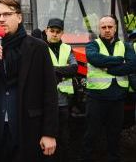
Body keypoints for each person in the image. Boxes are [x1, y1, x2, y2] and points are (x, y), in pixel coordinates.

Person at [0, 0, 58, 162]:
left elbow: (50, 93)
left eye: (7, 14)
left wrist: (49, 133)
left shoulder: (38, 48)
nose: (1, 19)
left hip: (28, 129)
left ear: (19, 17)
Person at [80, 15, 136, 162]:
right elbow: (95, 59)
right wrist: (119, 60)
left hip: (118, 98)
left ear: (115, 28)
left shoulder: (126, 46)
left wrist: (109, 69)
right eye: (103, 27)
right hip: (96, 98)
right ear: (99, 29)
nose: (107, 30)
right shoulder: (93, 45)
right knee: (91, 134)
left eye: (110, 27)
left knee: (115, 134)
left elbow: (132, 65)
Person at [43, 18, 78, 162]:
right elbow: (40, 70)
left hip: (63, 101)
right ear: (46, 31)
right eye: (52, 31)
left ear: (62, 33)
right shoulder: (40, 48)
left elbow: (74, 68)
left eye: (58, 32)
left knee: (64, 135)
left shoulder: (67, 48)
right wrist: (62, 71)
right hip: (45, 101)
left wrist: (52, 70)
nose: (55, 34)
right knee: (46, 135)